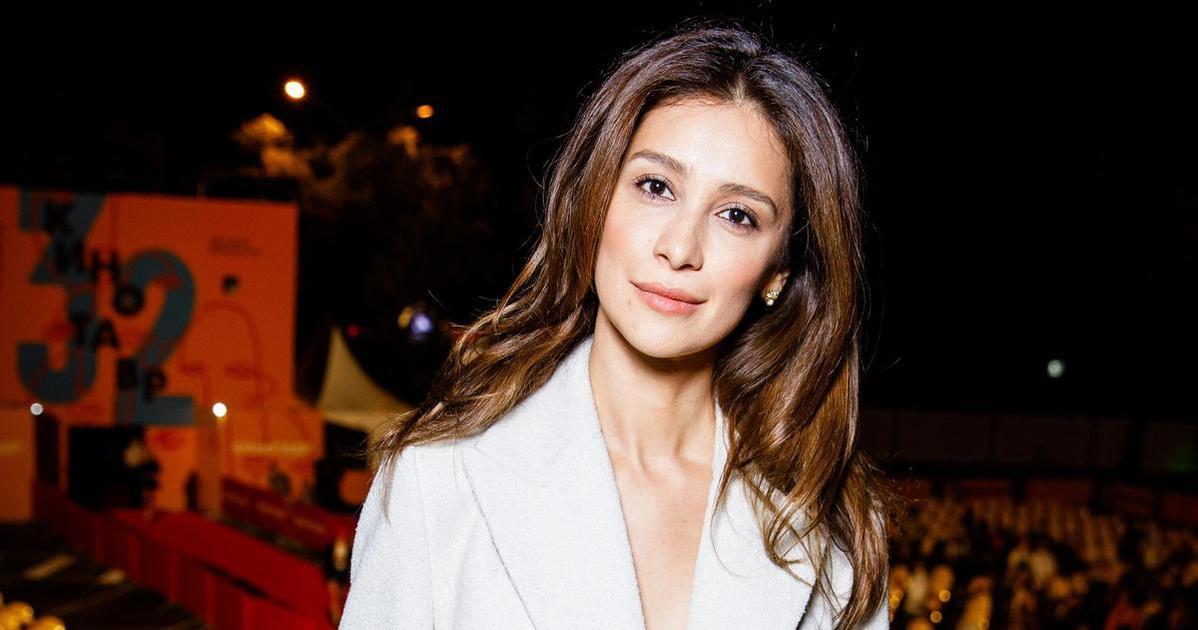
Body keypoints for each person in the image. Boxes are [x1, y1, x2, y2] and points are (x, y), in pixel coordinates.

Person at [340, 17, 903, 630]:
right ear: (596, 202)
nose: (679, 248)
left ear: (779, 272)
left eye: (737, 215)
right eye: (656, 186)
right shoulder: (439, 477)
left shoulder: (832, 525)